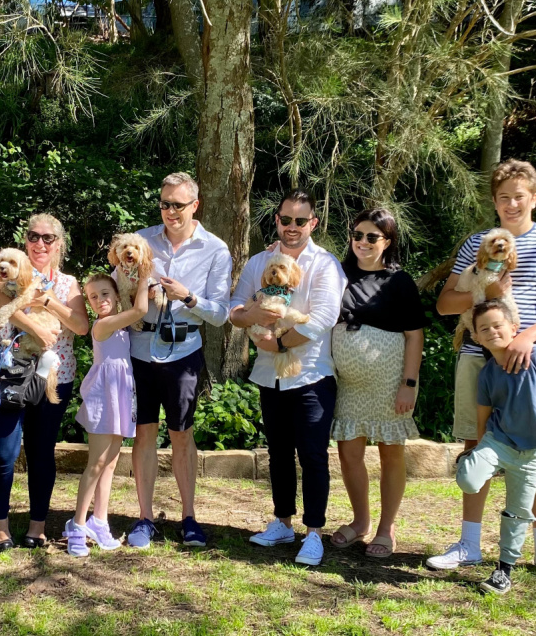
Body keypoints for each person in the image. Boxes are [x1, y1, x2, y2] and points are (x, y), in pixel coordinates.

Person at [427, 159, 536, 582]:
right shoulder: (477, 243)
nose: (511, 204)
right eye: (503, 198)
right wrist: (484, 288)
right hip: (479, 356)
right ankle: (470, 545)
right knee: (477, 447)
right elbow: (445, 304)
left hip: (530, 361)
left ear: (534, 198)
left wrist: (526, 337)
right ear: (494, 202)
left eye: (519, 196)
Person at [229, 189, 344, 567]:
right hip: (268, 376)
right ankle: (282, 522)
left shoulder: (325, 264)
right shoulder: (259, 262)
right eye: (286, 220)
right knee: (278, 453)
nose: (292, 227)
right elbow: (236, 308)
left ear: (313, 223)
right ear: (276, 220)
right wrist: (252, 323)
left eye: (300, 221)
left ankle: (313, 533)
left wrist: (278, 346)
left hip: (312, 375)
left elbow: (325, 317)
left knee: (312, 455)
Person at [125, 172, 232, 550]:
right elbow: (119, 283)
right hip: (139, 347)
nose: (171, 211)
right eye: (165, 203)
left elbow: (221, 314)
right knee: (144, 433)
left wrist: (188, 297)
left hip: (184, 352)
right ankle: (145, 518)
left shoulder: (216, 250)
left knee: (182, 435)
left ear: (195, 206)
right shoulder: (140, 240)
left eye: (178, 205)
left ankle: (189, 518)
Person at [0, 213, 89, 550]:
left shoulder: (69, 284)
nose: (40, 243)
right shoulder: (9, 268)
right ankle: (0, 527)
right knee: (1, 452)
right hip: (3, 370)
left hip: (52, 375)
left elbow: (81, 326)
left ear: (59, 244)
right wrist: (38, 328)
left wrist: (48, 301)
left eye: (48, 238)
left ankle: (37, 526)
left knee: (42, 452)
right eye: (33, 236)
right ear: (25, 240)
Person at [330, 208, 427, 558]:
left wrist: (409, 383)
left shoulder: (398, 281)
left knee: (390, 453)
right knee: (349, 452)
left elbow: (414, 337)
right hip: (349, 385)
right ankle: (360, 523)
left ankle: (386, 529)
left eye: (372, 237)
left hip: (389, 382)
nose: (363, 242)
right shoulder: (337, 274)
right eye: (358, 235)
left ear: (387, 241)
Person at [456, 298, 536, 595]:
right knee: (468, 478)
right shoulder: (488, 374)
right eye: (484, 329)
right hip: (498, 441)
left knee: (518, 512)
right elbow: (483, 417)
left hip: (532, 452)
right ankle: (476, 466)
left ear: (514, 328)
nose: (492, 331)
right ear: (477, 337)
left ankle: (503, 570)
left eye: (498, 325)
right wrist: (478, 449)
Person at [63, 273, 148, 556]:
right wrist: (146, 274)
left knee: (110, 463)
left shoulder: (122, 326)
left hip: (121, 396)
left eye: (105, 293)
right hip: (103, 397)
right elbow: (141, 310)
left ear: (116, 294)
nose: (100, 300)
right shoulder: (103, 326)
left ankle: (99, 521)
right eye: (93, 297)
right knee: (96, 463)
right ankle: (76, 525)